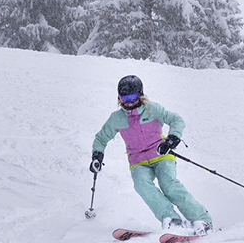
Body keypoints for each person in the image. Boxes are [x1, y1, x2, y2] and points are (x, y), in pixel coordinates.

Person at [91, 75, 213, 233]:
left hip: (161, 154)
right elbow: (101, 138)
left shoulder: (153, 109)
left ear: (140, 95)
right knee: (142, 185)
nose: (128, 102)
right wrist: (97, 156)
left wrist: (172, 138)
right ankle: (171, 219)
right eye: (124, 98)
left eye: (133, 97)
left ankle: (202, 220)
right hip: (138, 161)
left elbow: (176, 119)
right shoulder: (116, 118)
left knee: (169, 185)